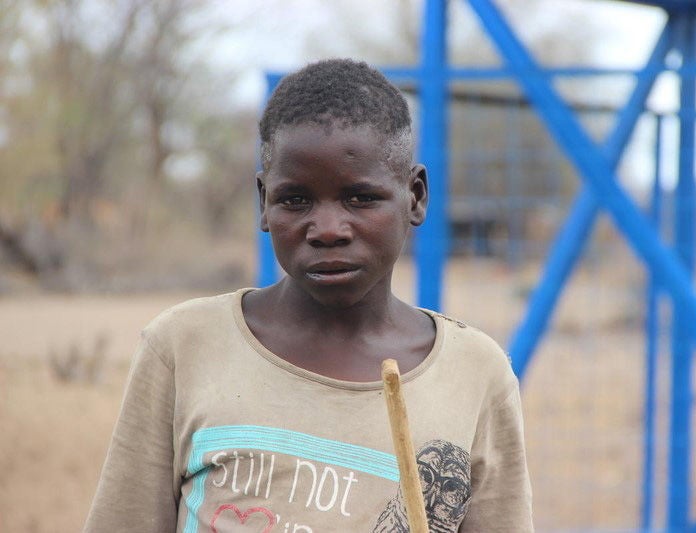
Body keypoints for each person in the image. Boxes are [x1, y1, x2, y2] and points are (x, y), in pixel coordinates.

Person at [85, 58, 533, 533]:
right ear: (264, 202)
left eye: (361, 198)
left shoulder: (475, 373)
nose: (328, 230)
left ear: (415, 196)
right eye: (296, 200)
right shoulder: (184, 346)